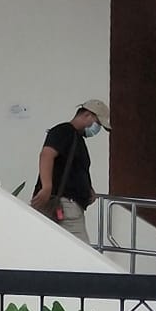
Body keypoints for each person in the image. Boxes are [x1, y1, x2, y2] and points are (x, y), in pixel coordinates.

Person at [32, 100, 108, 238]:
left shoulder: (76, 138)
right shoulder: (64, 131)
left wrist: (88, 190)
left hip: (69, 205)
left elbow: (74, 170)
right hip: (65, 205)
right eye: (97, 123)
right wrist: (47, 187)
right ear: (87, 115)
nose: (97, 129)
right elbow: (47, 155)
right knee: (81, 249)